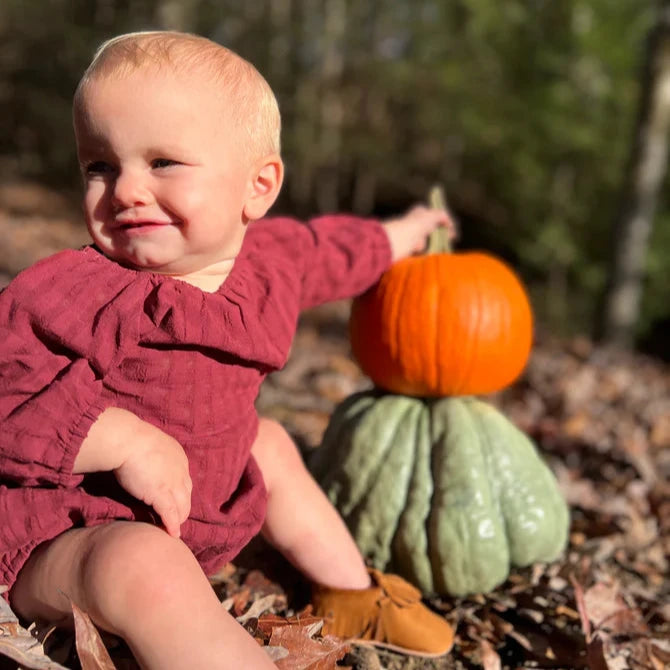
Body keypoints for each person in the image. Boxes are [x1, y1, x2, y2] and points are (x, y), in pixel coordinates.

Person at [0, 31, 455, 669]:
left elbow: (335, 252)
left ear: (258, 188)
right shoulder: (77, 291)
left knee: (267, 442)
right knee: (142, 565)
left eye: (162, 163)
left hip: (200, 505)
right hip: (65, 533)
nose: (125, 189)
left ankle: (352, 592)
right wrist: (117, 436)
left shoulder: (272, 262)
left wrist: (404, 233)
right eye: (100, 165)